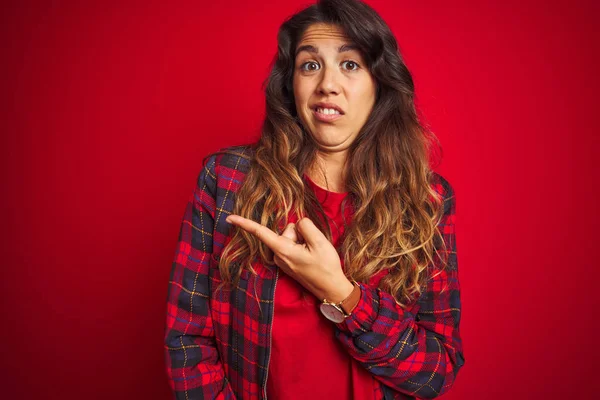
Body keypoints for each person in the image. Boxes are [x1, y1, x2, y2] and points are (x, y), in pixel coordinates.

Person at [164, 0, 465, 398]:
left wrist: (342, 294)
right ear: (290, 84)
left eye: (350, 64)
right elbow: (187, 343)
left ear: (380, 82)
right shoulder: (227, 180)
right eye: (310, 65)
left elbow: (434, 373)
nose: (327, 83)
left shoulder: (427, 200)